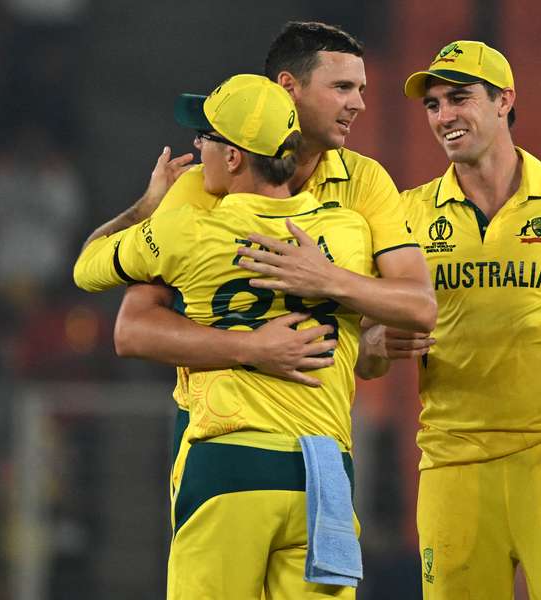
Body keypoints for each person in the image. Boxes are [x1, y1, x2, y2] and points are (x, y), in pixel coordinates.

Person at [356, 41, 541, 599]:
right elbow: (367, 357)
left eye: (458, 98)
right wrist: (375, 341)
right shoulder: (405, 215)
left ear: (503, 100)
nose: (444, 116)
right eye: (434, 105)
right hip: (453, 466)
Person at [85, 21, 435, 470]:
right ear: (289, 87)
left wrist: (358, 326)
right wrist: (253, 347)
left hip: (321, 440)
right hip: (218, 436)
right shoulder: (204, 183)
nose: (359, 104)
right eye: (343, 87)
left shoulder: (366, 182)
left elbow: (410, 316)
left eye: (361, 89)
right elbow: (133, 330)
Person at [75, 74, 372, 599]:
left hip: (230, 460)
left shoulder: (186, 229)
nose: (197, 148)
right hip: (325, 475)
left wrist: (148, 204)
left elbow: (87, 264)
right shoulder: (348, 231)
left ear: (234, 157)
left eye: (206, 139)